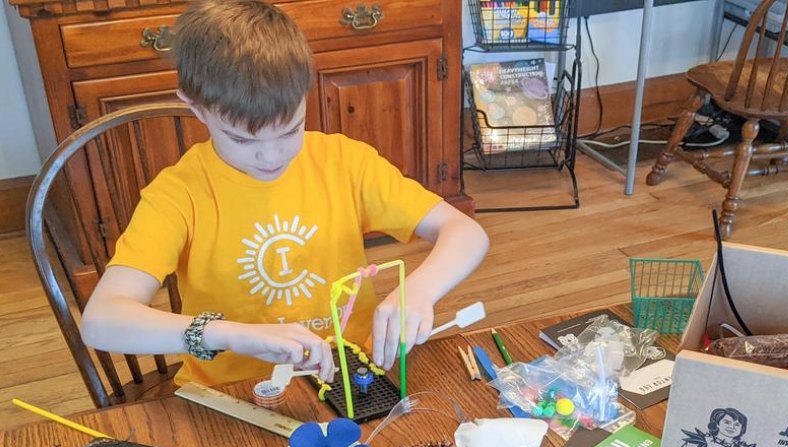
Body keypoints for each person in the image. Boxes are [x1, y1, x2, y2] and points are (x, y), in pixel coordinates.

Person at [80, 0, 488, 388]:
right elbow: (102, 319)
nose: (271, 156)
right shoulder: (179, 193)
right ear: (196, 108)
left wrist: (418, 290)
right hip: (233, 389)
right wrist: (231, 335)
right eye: (242, 139)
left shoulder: (343, 162)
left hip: (348, 373)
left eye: (290, 130)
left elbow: (465, 232)